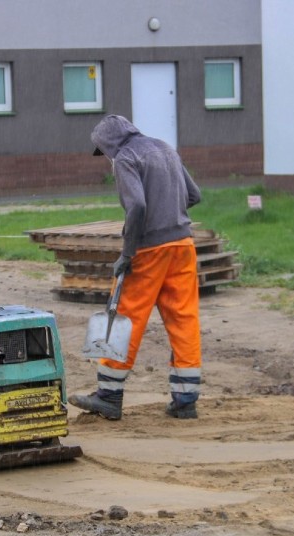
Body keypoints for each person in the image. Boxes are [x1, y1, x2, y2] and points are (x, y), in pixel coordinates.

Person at [68, 114, 202, 420]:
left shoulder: (126, 157)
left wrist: (127, 253)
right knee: (184, 318)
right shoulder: (165, 148)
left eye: (103, 151)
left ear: (109, 143)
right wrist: (169, 215)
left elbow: (138, 206)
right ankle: (186, 400)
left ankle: (108, 396)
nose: (106, 159)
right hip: (183, 245)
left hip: (148, 249)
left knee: (123, 316)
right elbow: (194, 195)